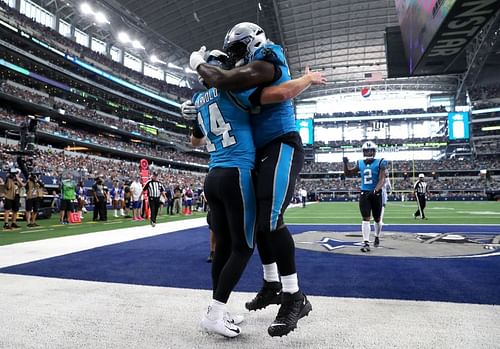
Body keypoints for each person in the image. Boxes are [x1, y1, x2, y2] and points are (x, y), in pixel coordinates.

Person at [189, 28, 325, 337]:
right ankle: (272, 284)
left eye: (238, 49)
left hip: (279, 142)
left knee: (269, 220)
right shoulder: (235, 88)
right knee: (261, 223)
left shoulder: (264, 61)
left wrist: (304, 81)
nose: (236, 57)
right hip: (252, 156)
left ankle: (294, 296)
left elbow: (278, 93)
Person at [343, 141, 387, 251]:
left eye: (371, 150)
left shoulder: (381, 162)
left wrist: (376, 190)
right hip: (364, 193)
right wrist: (345, 164)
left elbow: (382, 179)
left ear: (374, 151)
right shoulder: (360, 163)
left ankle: (376, 236)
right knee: (365, 218)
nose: (369, 152)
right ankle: (366, 242)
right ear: (363, 152)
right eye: (367, 150)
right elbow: (348, 174)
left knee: (377, 219)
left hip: (376, 194)